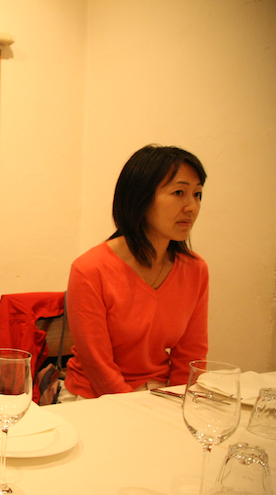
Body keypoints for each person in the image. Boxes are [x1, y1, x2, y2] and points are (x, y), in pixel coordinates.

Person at [61, 144, 208, 401]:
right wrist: (138, 410)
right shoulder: (90, 269)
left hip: (161, 394)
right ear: (140, 198)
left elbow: (191, 358)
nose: (191, 207)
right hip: (95, 398)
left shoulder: (195, 269)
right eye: (178, 192)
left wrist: (182, 405)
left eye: (197, 194)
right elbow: (98, 366)